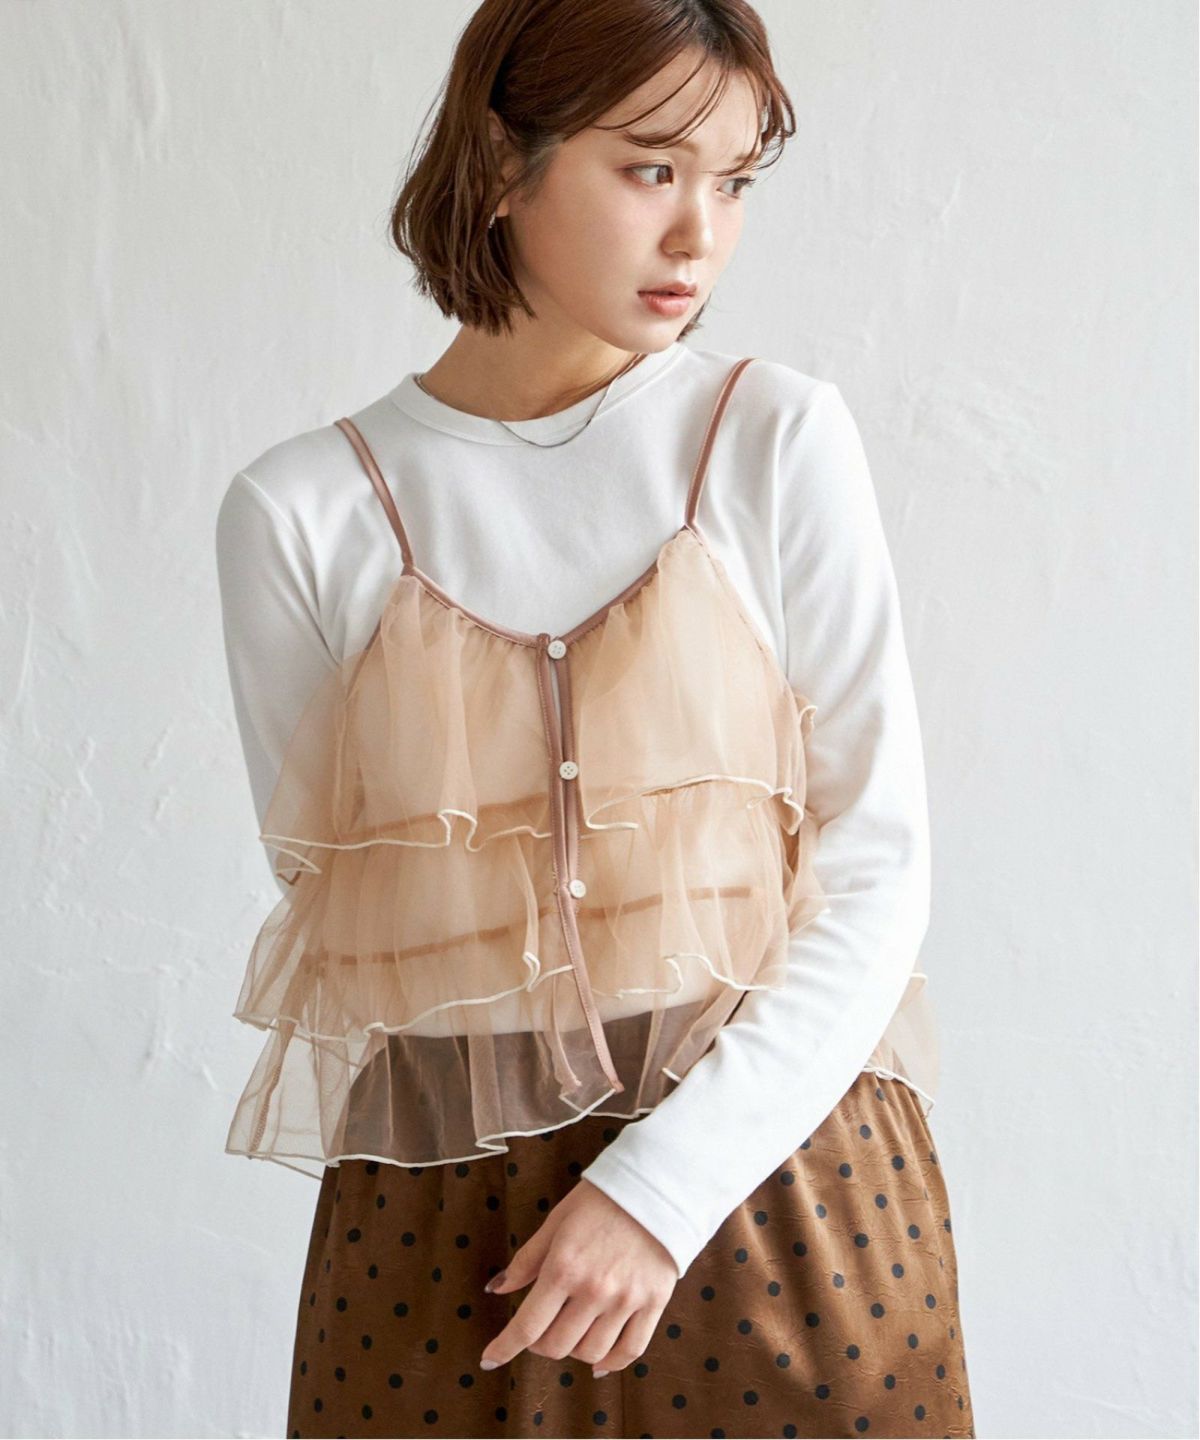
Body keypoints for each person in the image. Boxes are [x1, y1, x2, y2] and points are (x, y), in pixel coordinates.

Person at [215, 2, 976, 1435]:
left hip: (780, 1202)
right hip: (446, 1244)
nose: (701, 234)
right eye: (651, 170)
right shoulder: (301, 513)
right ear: (503, 164)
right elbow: (351, 907)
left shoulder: (772, 439)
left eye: (734, 182)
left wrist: (658, 1191)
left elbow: (878, 869)